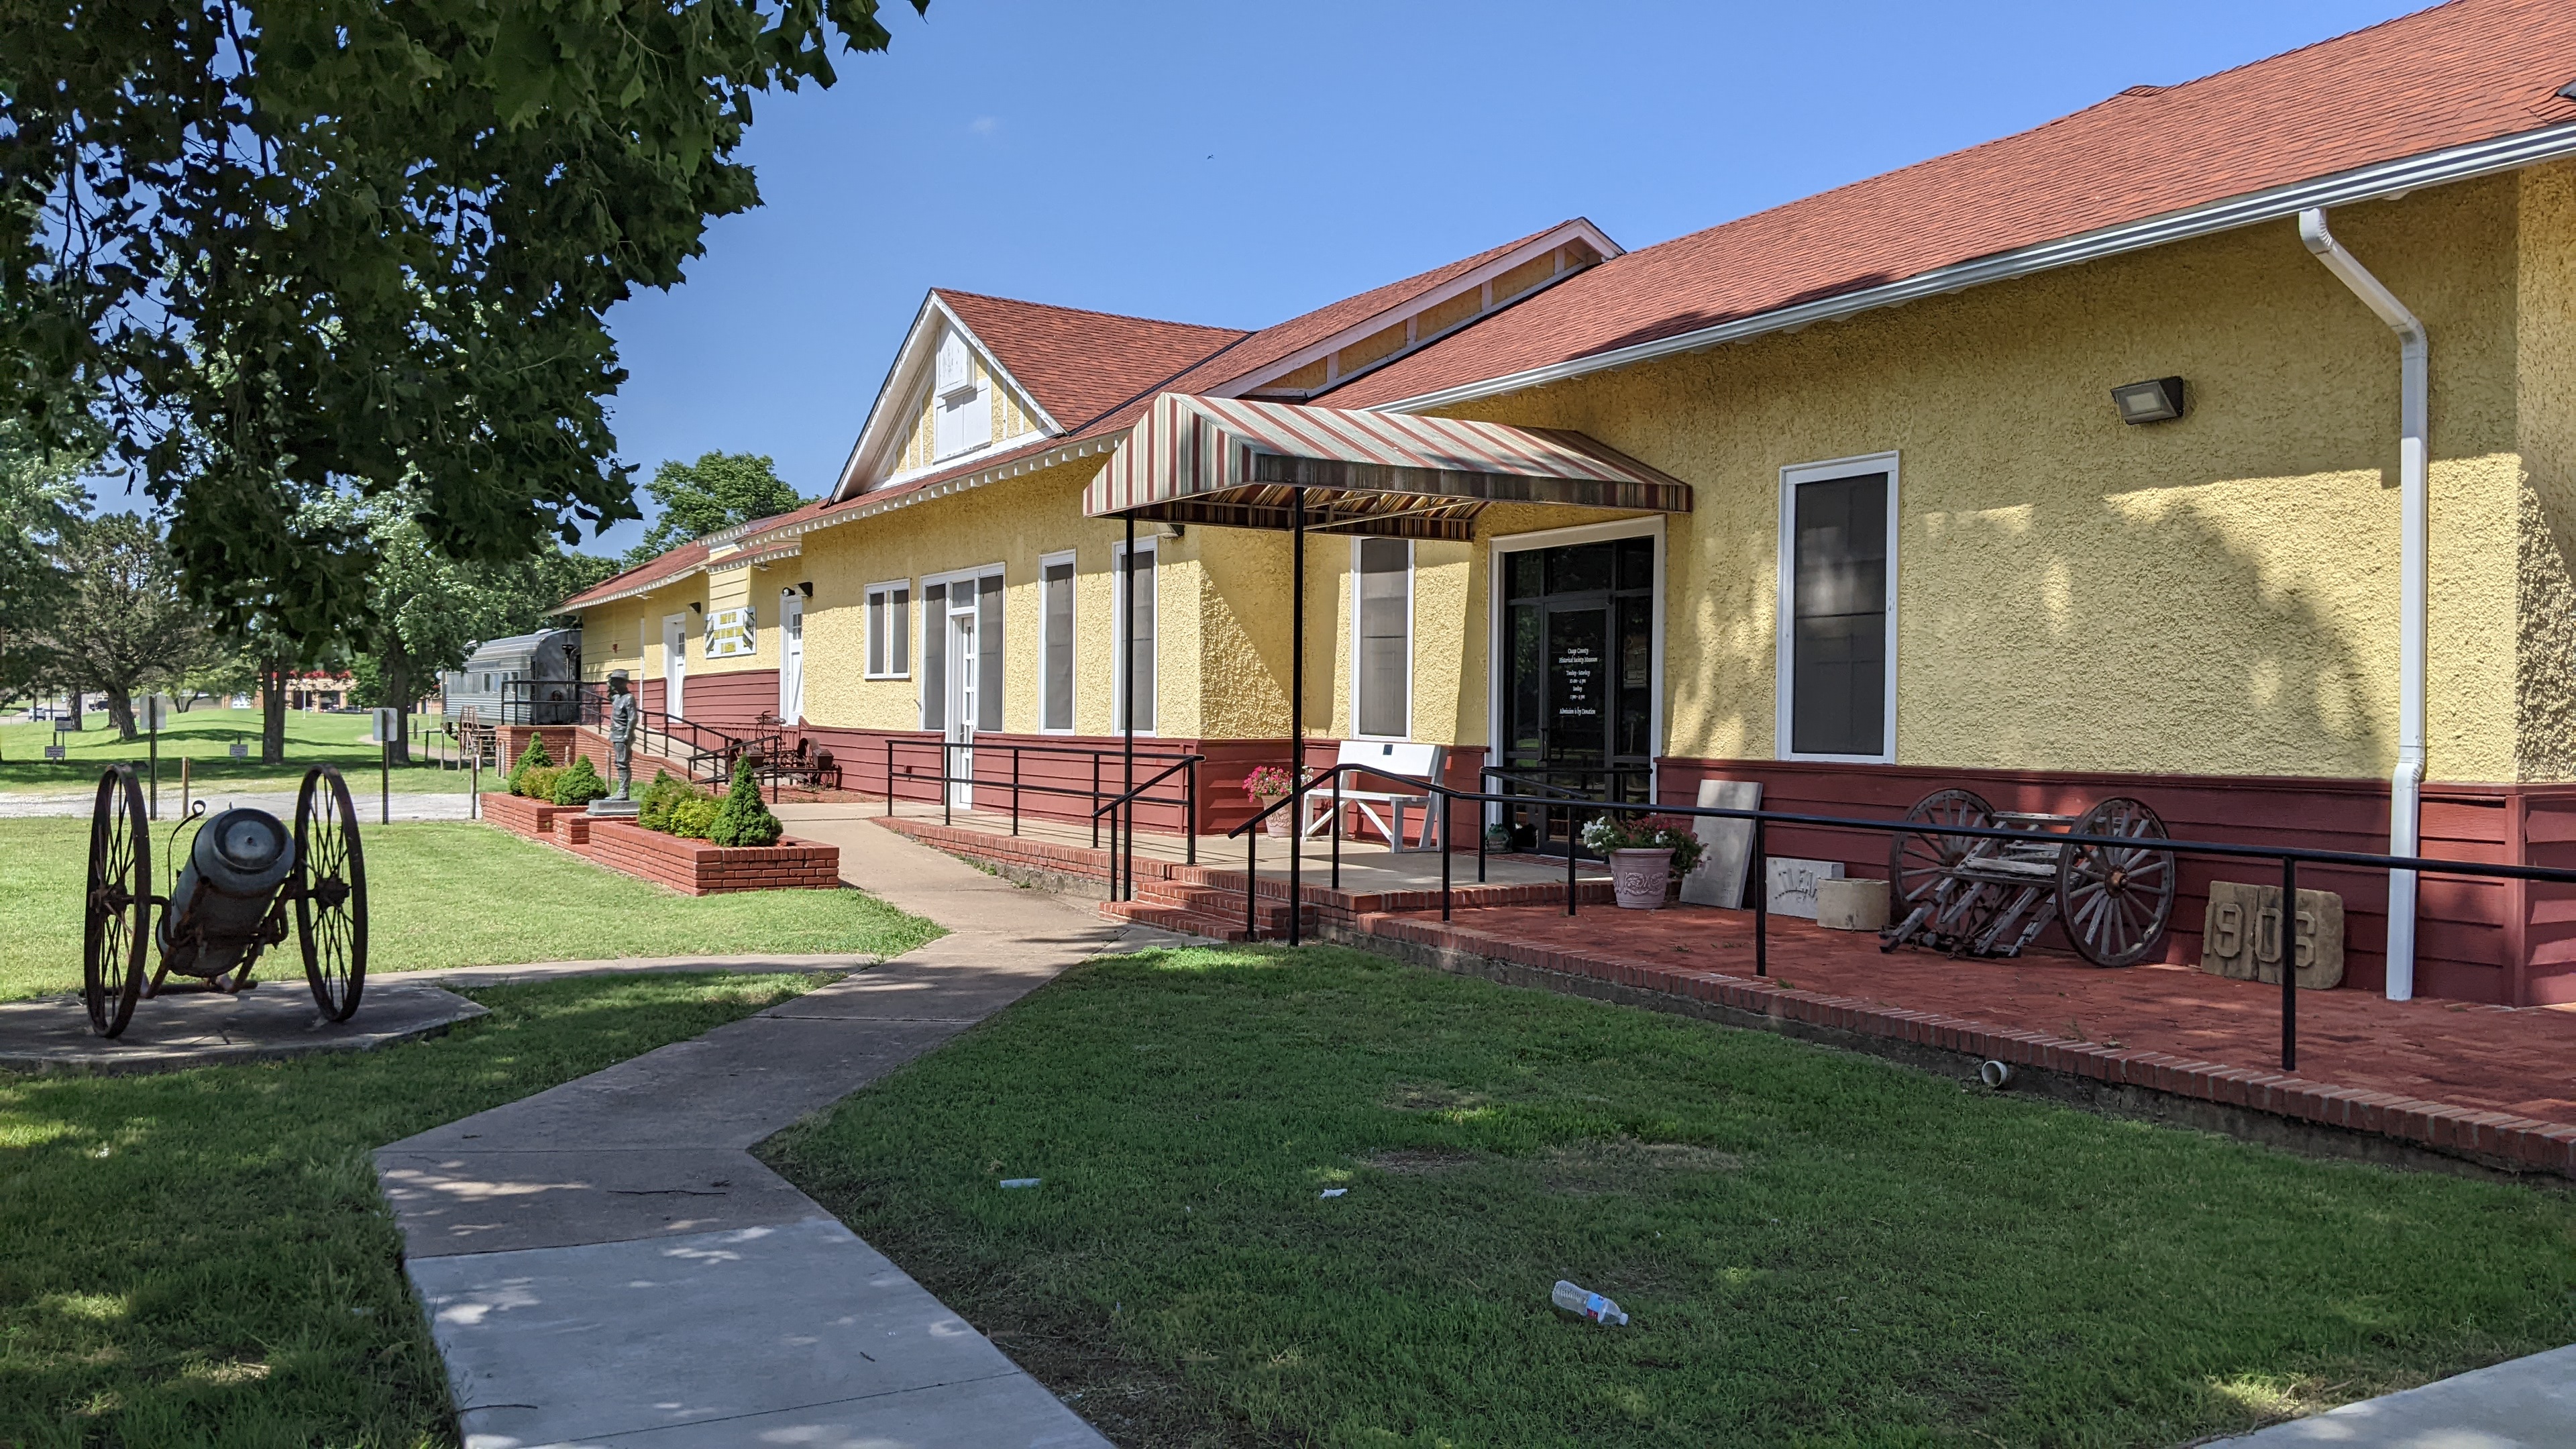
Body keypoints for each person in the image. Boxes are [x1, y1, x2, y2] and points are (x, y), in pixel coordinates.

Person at [606, 671, 638, 800]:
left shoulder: (628, 698)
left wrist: (627, 735)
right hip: (616, 734)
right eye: (611, 681)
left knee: (622, 763)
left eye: (614, 681)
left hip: (623, 735)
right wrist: (609, 684)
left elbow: (633, 718)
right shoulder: (616, 698)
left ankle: (624, 793)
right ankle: (621, 792)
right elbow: (610, 694)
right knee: (619, 763)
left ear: (621, 683)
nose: (611, 684)